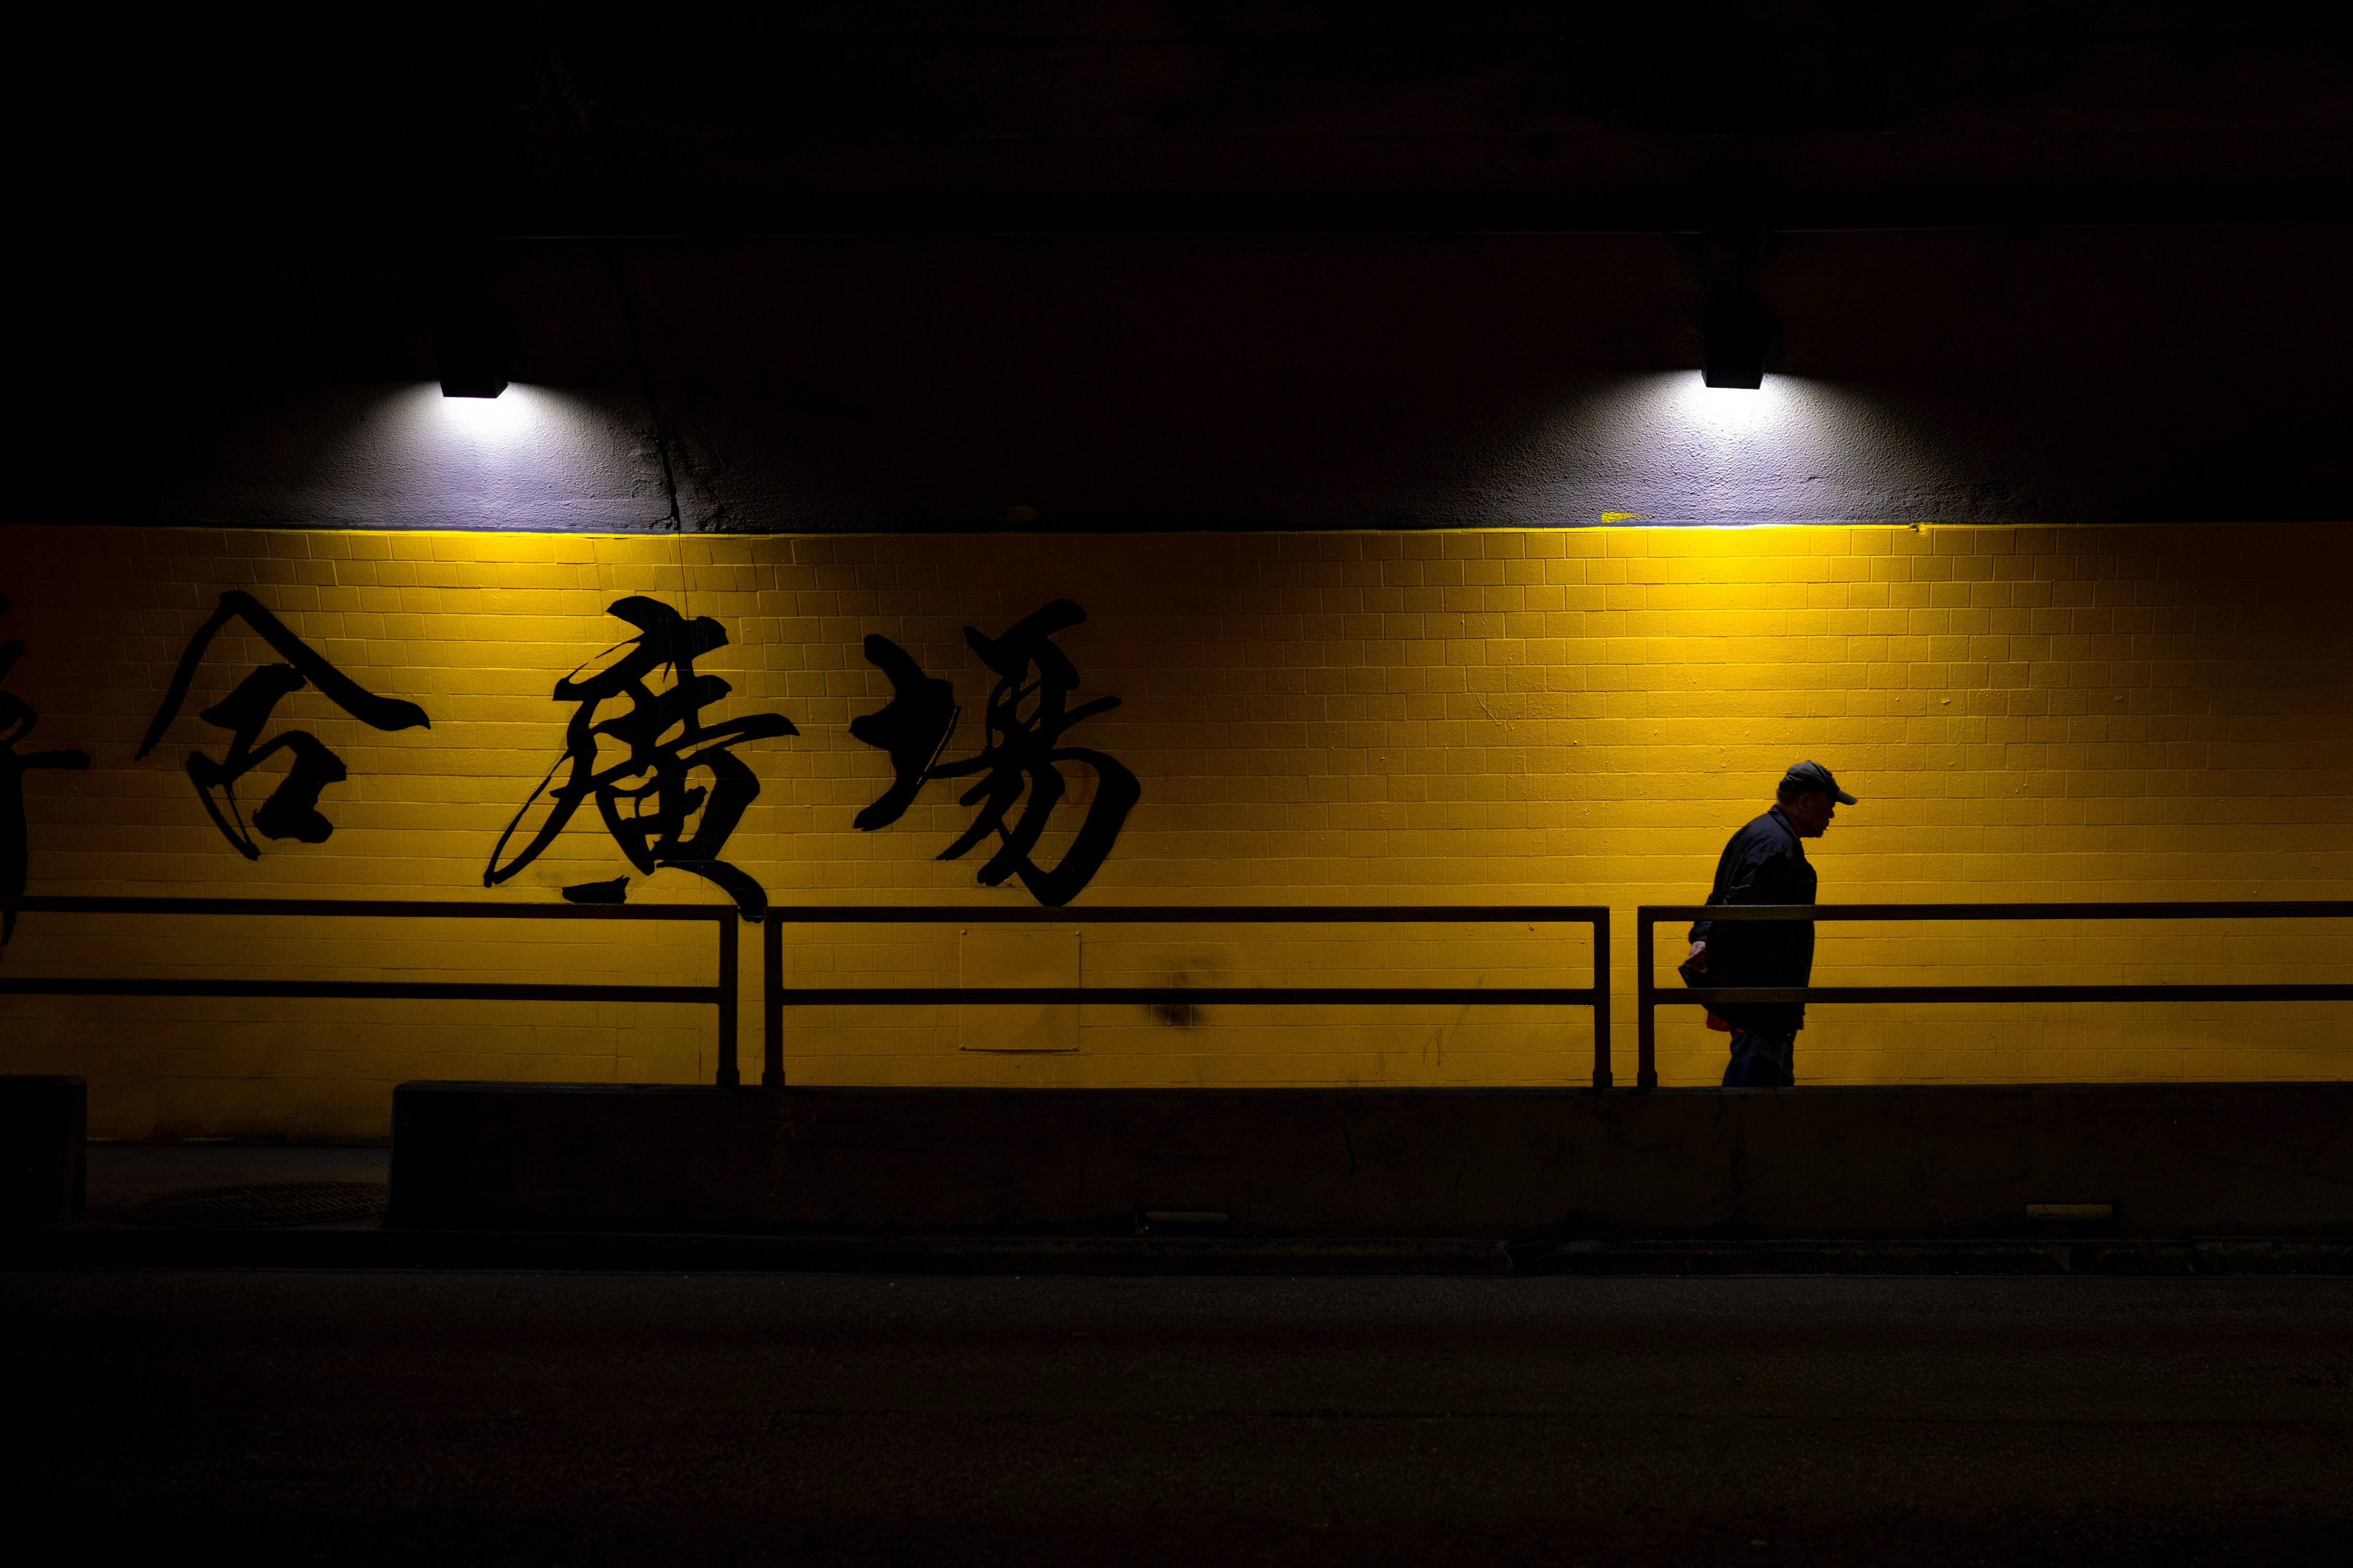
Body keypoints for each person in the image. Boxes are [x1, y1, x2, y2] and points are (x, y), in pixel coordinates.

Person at [1682, 761, 1857, 1087]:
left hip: (1754, 996)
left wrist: (1704, 938)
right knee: (1759, 1100)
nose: (1832, 816)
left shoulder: (1759, 832)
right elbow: (1740, 912)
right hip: (1761, 1000)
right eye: (1829, 806)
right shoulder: (1778, 847)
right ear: (1805, 802)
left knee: (1757, 1090)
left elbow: (1723, 899)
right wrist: (1710, 942)